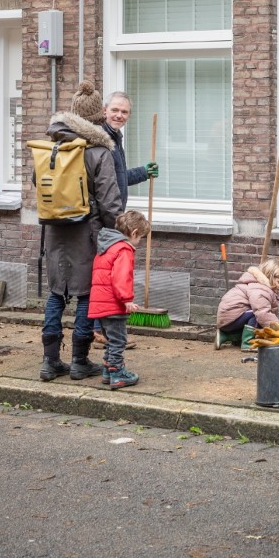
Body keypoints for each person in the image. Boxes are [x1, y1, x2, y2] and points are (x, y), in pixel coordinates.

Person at [38, 81, 124, 382]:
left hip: (54, 230)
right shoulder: (98, 151)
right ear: (98, 117)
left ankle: (49, 363)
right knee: (86, 294)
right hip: (87, 232)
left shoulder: (50, 146)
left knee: (56, 294)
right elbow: (110, 200)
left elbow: (38, 185)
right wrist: (118, 232)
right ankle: (79, 361)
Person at [92, 90, 158, 350]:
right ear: (105, 110)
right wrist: (115, 218)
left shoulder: (116, 139)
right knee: (108, 277)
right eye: (115, 110)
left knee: (108, 275)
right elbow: (103, 183)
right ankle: (102, 331)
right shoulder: (102, 139)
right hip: (108, 217)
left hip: (115, 215)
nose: (120, 115)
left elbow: (118, 178)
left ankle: (104, 331)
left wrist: (143, 172)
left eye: (125, 112)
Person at [88, 210, 150, 389]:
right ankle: (117, 373)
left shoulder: (105, 247)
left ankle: (108, 370)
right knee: (119, 340)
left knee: (110, 339)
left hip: (100, 303)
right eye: (141, 238)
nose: (139, 242)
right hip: (113, 304)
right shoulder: (123, 249)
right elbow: (121, 277)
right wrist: (126, 299)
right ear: (134, 233)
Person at [215, 257, 279, 352]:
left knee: (257, 319)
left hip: (228, 320)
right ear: (270, 276)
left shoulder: (257, 285)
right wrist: (278, 329)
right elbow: (262, 312)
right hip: (232, 318)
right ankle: (248, 343)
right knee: (258, 315)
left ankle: (224, 336)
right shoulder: (260, 289)